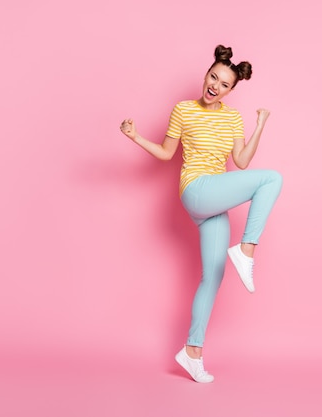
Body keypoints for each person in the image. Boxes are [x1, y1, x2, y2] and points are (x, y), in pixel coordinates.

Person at [119, 45, 282, 383]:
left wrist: (260, 124)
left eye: (224, 85)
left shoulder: (232, 117)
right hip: (196, 189)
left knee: (214, 275)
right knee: (272, 179)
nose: (215, 87)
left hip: (214, 200)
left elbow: (241, 161)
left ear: (231, 91)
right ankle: (247, 248)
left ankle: (192, 352)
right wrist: (136, 137)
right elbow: (167, 153)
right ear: (206, 74)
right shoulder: (183, 110)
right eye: (213, 78)